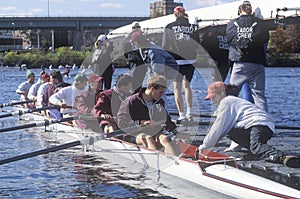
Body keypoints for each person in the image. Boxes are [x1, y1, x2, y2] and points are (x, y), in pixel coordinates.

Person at [198, 81, 300, 168]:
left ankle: (283, 158)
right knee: (235, 134)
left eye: (213, 97)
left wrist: (205, 146)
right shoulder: (232, 101)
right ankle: (255, 151)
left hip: (259, 124)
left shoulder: (227, 101)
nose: (212, 100)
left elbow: (218, 127)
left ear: (222, 93)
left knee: (256, 146)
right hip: (261, 125)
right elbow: (226, 126)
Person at [117, 75, 177, 156]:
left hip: (152, 132)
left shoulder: (159, 102)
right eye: (160, 92)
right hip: (133, 134)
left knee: (165, 138)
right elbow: (121, 123)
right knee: (148, 138)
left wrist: (177, 133)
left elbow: (167, 120)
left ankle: (177, 162)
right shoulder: (131, 101)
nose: (162, 95)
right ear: (152, 89)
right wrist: (141, 122)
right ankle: (159, 161)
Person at [226, 0, 269, 111]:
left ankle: (227, 120)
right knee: (259, 96)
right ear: (251, 11)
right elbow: (264, 39)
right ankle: (264, 123)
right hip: (257, 64)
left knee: (231, 95)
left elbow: (230, 39)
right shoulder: (260, 24)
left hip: (239, 62)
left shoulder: (232, 23)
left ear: (239, 10)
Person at [162, 6, 200, 122]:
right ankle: (189, 112)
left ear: (175, 14)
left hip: (176, 60)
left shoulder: (169, 27)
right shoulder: (192, 27)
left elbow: (165, 46)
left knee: (176, 88)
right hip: (190, 59)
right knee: (187, 86)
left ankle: (181, 114)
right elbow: (197, 43)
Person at [123, 22, 147, 92]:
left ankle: (138, 97)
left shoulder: (143, 37)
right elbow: (125, 51)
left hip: (142, 63)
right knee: (133, 83)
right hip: (133, 63)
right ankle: (133, 98)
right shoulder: (128, 38)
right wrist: (130, 58)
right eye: (135, 27)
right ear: (132, 28)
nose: (136, 29)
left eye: (138, 27)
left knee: (140, 83)